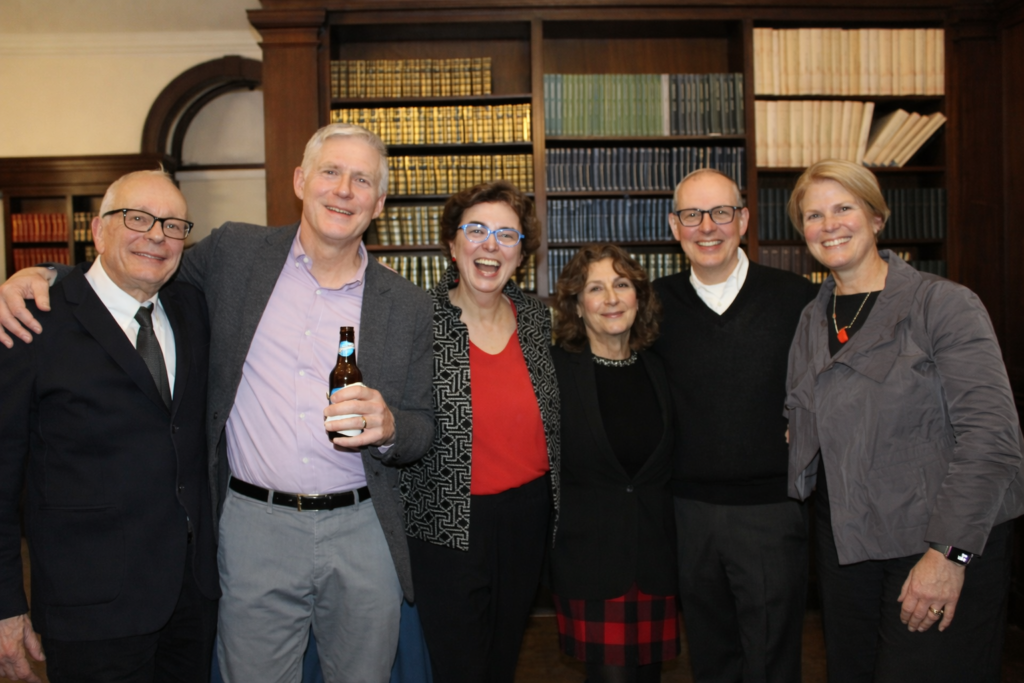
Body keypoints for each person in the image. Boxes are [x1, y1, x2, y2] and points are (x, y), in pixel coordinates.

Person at [0, 123, 434, 683]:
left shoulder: (409, 305)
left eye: (361, 180)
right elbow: (140, 264)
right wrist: (43, 276)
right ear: (301, 180)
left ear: (380, 202)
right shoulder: (236, 254)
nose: (343, 190)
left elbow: (425, 428)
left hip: (363, 528)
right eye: (330, 172)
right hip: (254, 527)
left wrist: (394, 425)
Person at [785, 159, 1024, 683]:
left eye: (844, 208)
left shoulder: (943, 305)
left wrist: (949, 556)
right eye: (814, 215)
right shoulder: (811, 317)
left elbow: (993, 439)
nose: (830, 225)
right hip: (847, 551)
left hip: (934, 546)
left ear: (876, 217)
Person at [0, 171, 220, 683]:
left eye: (173, 225)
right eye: (137, 218)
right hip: (90, 610)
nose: (156, 235)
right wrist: (6, 607)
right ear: (98, 229)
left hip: (191, 600)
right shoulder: (33, 321)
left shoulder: (193, 309)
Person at [651, 168, 818, 683]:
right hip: (685, 513)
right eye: (692, 215)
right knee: (710, 654)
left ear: (743, 220)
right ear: (674, 226)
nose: (707, 227)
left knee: (772, 657)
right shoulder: (650, 305)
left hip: (771, 512)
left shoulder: (799, 299)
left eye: (721, 212)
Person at [398, 180, 559, 683]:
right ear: (452, 243)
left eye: (507, 235)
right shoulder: (418, 318)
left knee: (503, 654)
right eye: (476, 230)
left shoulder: (537, 318)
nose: (491, 245)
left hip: (528, 517)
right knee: (459, 665)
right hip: (446, 521)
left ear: (521, 254)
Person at [549, 243, 678, 683]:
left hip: (656, 563)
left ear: (638, 297)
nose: (610, 299)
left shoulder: (660, 370)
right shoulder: (554, 372)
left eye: (621, 285)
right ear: (577, 306)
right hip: (590, 565)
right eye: (595, 288)